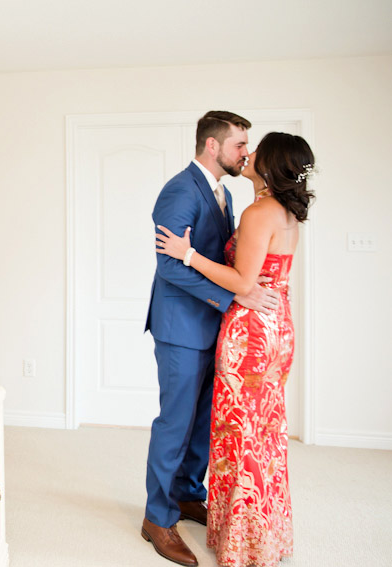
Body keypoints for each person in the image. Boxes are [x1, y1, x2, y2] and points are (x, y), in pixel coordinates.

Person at [156, 132, 315, 567]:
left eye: (256, 149)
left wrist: (188, 255)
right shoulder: (286, 213)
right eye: (243, 144)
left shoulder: (259, 210)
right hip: (277, 326)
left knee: (239, 433)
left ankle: (244, 542)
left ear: (271, 165)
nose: (249, 154)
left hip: (250, 334)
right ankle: (265, 533)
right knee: (264, 434)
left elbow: (244, 284)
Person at [142, 111, 280, 567]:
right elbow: (169, 265)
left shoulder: (223, 193)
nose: (247, 152)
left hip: (214, 330)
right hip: (182, 329)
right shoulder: (180, 190)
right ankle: (157, 519)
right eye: (240, 144)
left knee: (202, 424)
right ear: (211, 146)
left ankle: (185, 495)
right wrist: (232, 299)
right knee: (176, 423)